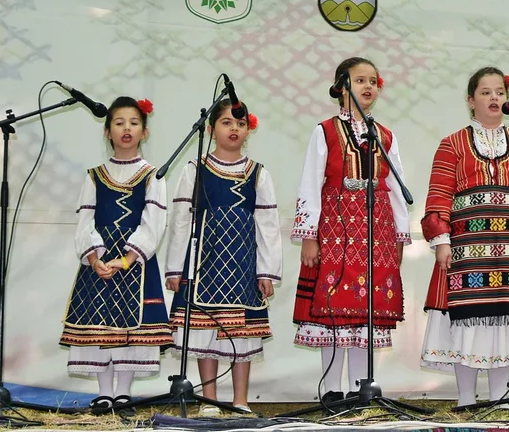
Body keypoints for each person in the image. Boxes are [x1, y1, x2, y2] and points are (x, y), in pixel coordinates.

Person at [420, 69, 509, 407]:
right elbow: (438, 195)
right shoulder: (452, 143)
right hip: (466, 253)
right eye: (485, 92)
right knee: (467, 325)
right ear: (470, 100)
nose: (494, 98)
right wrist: (442, 240)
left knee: (505, 324)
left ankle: (499, 399)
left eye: (499, 92)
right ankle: (466, 399)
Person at [291, 57, 411, 402]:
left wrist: (400, 236)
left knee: (365, 312)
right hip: (333, 228)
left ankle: (362, 388)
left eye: (373, 80)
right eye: (360, 80)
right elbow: (311, 183)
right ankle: (332, 390)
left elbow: (396, 186)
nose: (368, 86)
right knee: (333, 307)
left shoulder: (385, 135)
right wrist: (309, 236)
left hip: (376, 230)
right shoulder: (325, 130)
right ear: (342, 86)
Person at [166, 98, 282, 414]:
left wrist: (267, 271)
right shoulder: (195, 170)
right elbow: (181, 220)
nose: (234, 129)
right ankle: (210, 398)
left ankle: (241, 399)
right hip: (204, 262)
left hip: (244, 261)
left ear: (249, 130)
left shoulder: (258, 173)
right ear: (212, 128)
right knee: (206, 330)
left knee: (241, 332)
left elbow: (268, 225)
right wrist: (176, 267)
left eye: (240, 124)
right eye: (227, 122)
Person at [60, 96, 171, 415]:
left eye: (134, 123)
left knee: (131, 329)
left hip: (134, 263)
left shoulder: (153, 176)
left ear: (144, 132)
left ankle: (123, 392)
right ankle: (104, 392)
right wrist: (95, 258)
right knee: (100, 325)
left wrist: (127, 259)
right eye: (119, 123)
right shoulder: (94, 175)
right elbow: (85, 218)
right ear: (107, 131)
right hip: (99, 263)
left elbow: (154, 222)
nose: (127, 128)